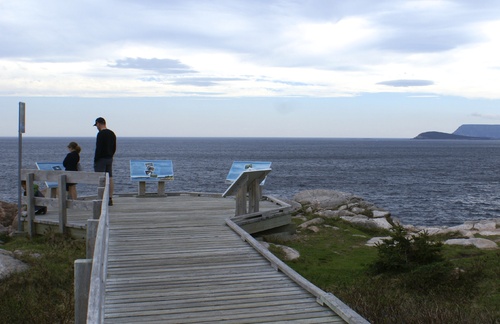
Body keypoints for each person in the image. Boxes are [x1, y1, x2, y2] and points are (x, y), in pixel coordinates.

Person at [93, 117, 116, 206]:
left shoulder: (100, 134)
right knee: (110, 177)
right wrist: (111, 155)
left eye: (96, 125)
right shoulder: (112, 133)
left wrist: (96, 159)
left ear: (99, 123)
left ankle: (101, 198)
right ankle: (110, 198)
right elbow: (114, 147)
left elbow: (98, 148)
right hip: (109, 158)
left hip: (101, 159)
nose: (97, 127)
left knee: (100, 178)